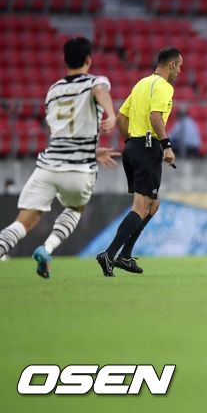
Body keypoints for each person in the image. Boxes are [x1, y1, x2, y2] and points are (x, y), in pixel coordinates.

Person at [0, 37, 119, 278]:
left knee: (23, 221)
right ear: (89, 60)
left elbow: (65, 134)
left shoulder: (53, 91)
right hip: (78, 170)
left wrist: (92, 150)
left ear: (65, 60)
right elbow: (98, 90)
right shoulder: (96, 81)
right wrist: (111, 113)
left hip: (48, 166)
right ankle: (47, 248)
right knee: (75, 208)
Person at [96, 46, 182, 277]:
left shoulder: (141, 84)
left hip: (133, 146)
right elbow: (156, 117)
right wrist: (166, 146)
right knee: (142, 206)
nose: (180, 72)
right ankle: (110, 254)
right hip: (148, 146)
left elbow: (122, 117)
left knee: (152, 205)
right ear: (171, 65)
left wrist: (131, 143)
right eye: (179, 66)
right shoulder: (164, 86)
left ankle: (124, 255)